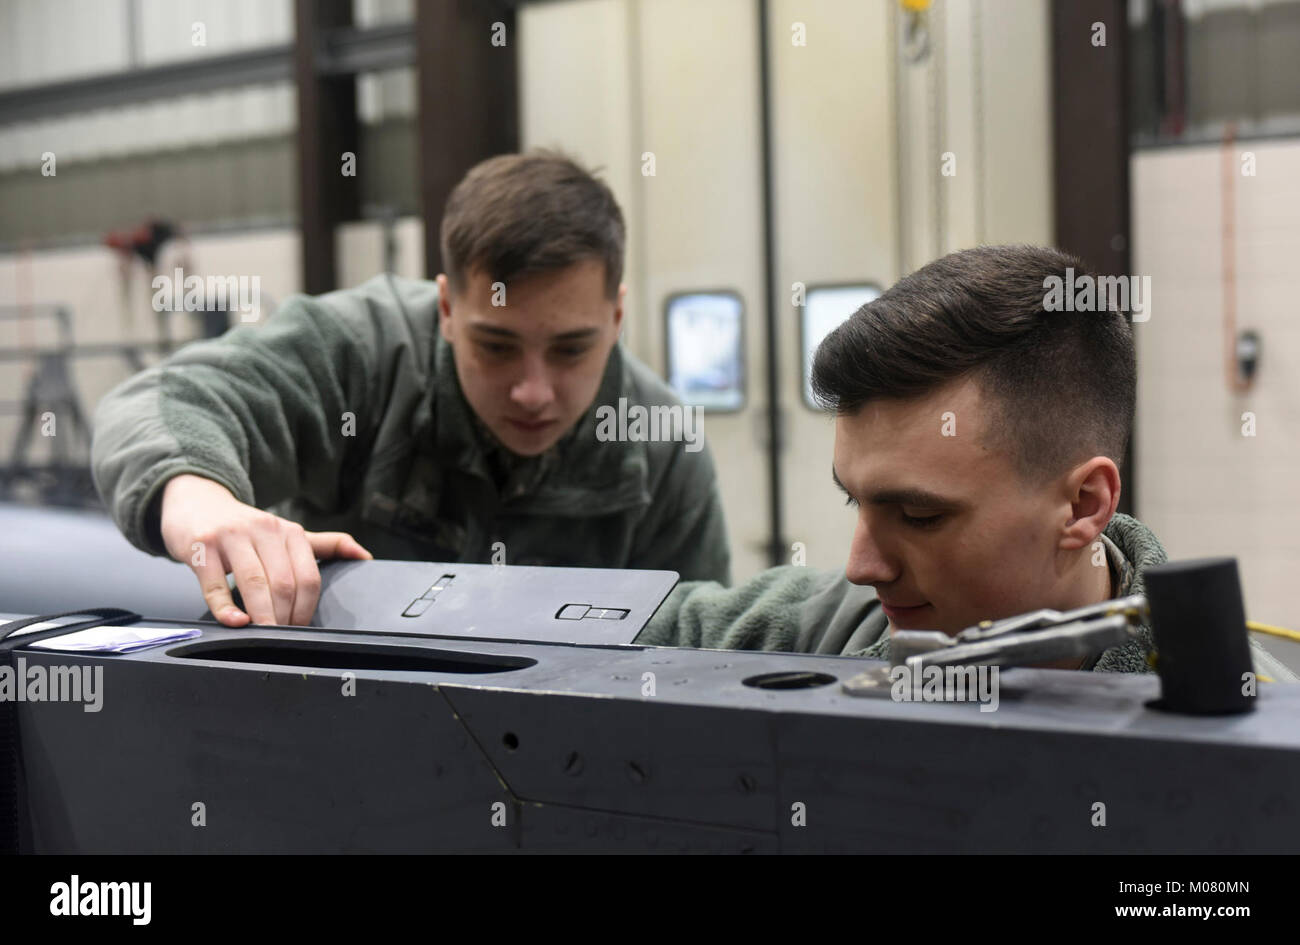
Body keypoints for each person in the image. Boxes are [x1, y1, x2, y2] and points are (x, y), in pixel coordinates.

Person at [92, 151, 730, 629]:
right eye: (497, 347)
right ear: (447, 308)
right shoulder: (360, 355)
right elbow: (161, 402)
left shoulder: (661, 448)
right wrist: (204, 502)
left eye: (571, 349)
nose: (533, 392)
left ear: (617, 317)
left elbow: (694, 661)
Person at [636, 244, 1296, 679]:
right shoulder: (821, 629)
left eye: (918, 514)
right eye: (853, 500)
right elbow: (616, 622)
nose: (862, 567)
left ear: (1083, 505)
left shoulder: (1255, 724)